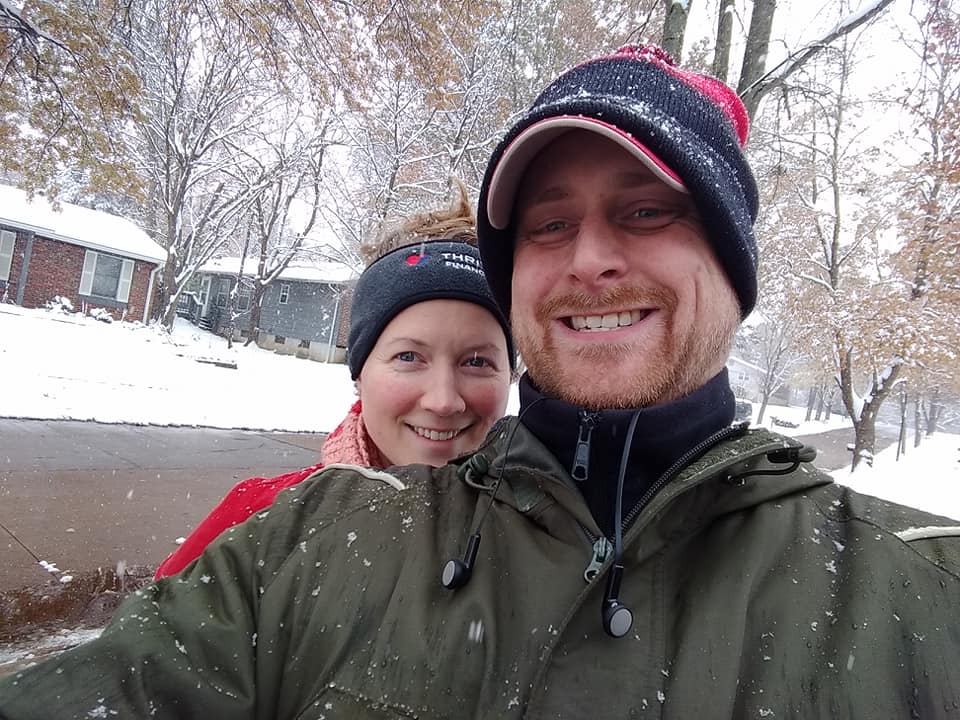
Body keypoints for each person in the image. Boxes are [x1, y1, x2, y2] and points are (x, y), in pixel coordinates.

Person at [1, 45, 959, 718]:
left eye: (646, 211)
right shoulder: (308, 546)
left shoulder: (921, 598)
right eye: (548, 224)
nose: (589, 257)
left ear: (734, 267)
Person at [154, 193, 516, 578]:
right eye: (409, 356)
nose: (443, 401)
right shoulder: (256, 522)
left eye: (477, 362)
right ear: (359, 372)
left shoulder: (539, 539)